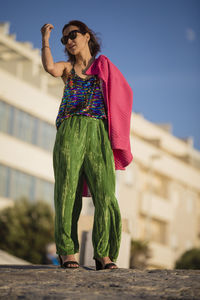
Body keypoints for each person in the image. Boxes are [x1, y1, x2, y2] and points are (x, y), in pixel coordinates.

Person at [40, 20, 133, 270]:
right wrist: (45, 41)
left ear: (87, 35)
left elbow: (123, 94)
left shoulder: (103, 67)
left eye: (73, 34)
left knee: (105, 193)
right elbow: (50, 67)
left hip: (98, 131)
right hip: (70, 130)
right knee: (67, 190)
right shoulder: (68, 68)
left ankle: (104, 254)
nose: (69, 40)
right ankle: (67, 252)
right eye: (64, 39)